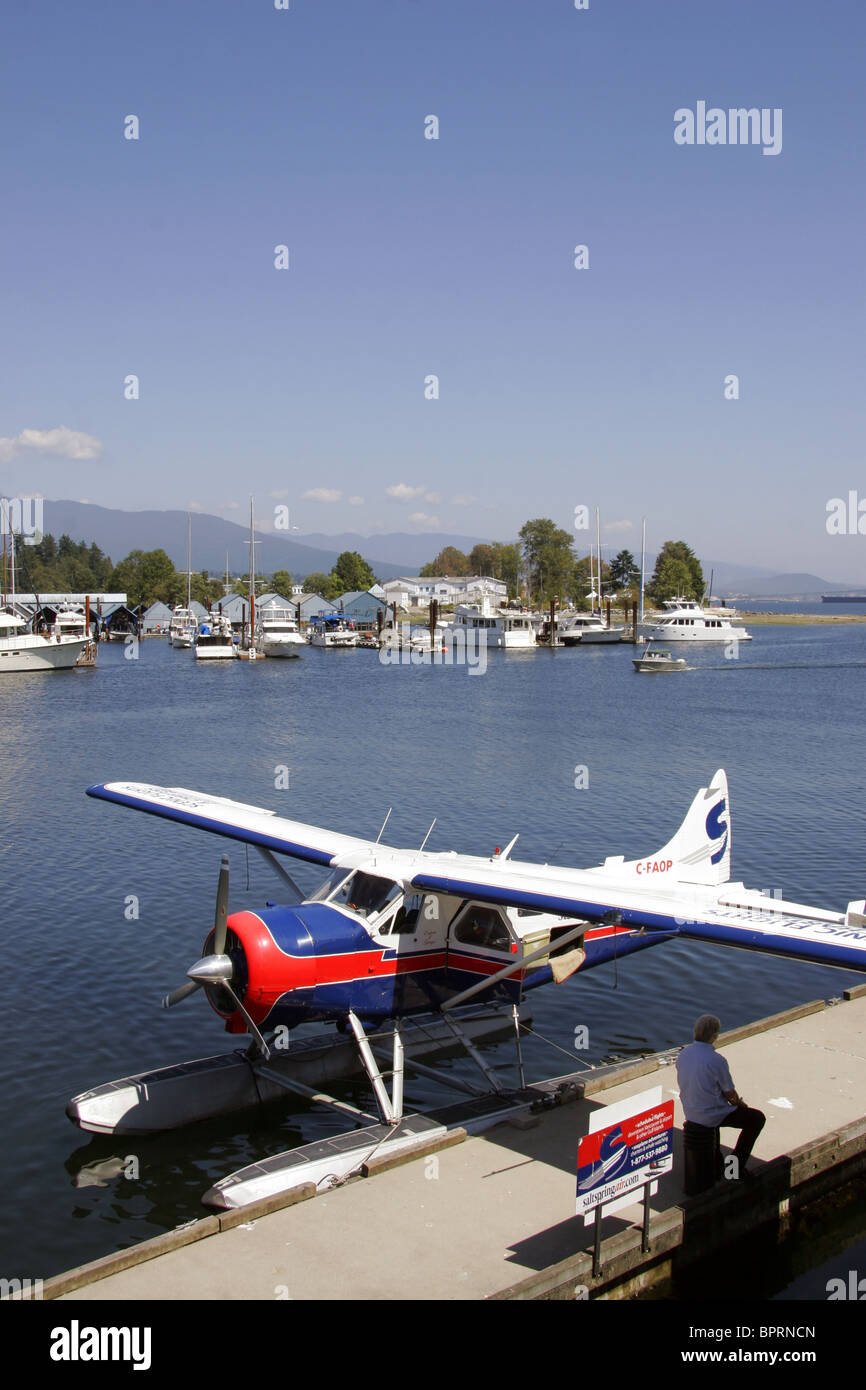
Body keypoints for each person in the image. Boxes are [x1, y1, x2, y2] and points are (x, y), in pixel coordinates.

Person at [676, 1014, 766, 1179]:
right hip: (711, 1114)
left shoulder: (683, 1055)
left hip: (691, 1110)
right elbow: (729, 1093)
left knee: (714, 1119)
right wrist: (739, 1104)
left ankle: (718, 1165)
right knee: (757, 1119)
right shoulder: (716, 1060)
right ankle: (734, 1169)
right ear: (714, 1036)